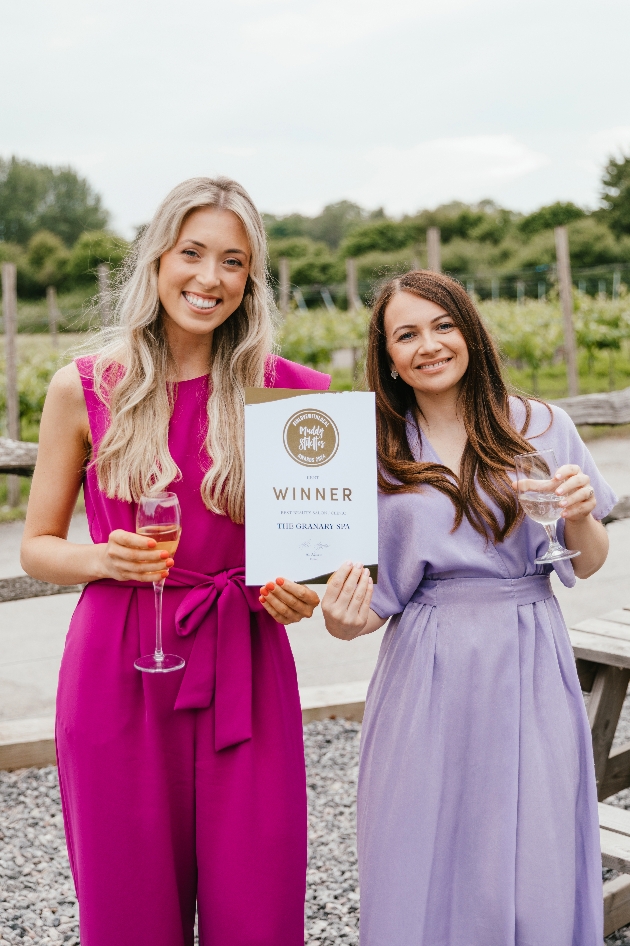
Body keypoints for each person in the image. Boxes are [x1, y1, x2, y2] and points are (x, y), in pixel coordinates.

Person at [265, 270, 617, 945]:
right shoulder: (369, 450)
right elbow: (363, 611)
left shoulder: (544, 425)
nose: (428, 344)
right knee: (419, 842)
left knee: (534, 846)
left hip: (529, 653)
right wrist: (339, 616)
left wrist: (579, 518)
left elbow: (588, 561)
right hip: (422, 665)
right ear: (388, 355)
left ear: (469, 331)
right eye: (407, 334)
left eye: (442, 325)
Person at [20, 176, 323, 946]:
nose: (210, 278)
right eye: (193, 253)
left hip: (246, 659)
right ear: (156, 259)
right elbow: (37, 547)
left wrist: (299, 592)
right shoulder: (83, 386)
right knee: (129, 911)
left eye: (233, 261)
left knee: (258, 908)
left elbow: (311, 556)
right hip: (118, 663)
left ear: (250, 279)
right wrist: (101, 558)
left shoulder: (287, 393)